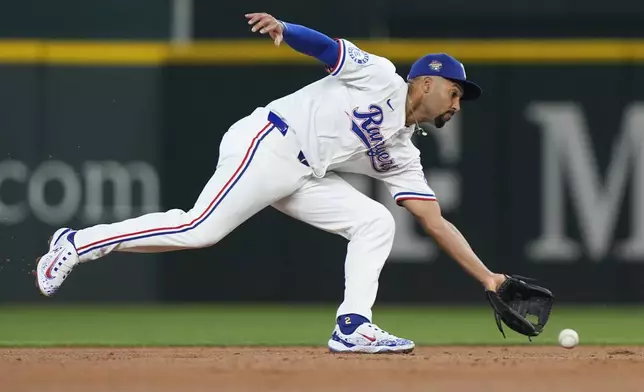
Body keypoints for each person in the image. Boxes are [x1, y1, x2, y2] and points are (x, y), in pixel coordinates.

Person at [35, 12, 508, 354]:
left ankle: (353, 325)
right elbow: (328, 49)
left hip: (301, 174)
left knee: (375, 222)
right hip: (269, 142)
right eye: (454, 92)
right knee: (197, 230)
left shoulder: (403, 154)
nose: (457, 104)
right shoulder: (382, 77)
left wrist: (487, 276)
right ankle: (77, 242)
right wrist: (286, 30)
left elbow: (434, 221)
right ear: (426, 83)